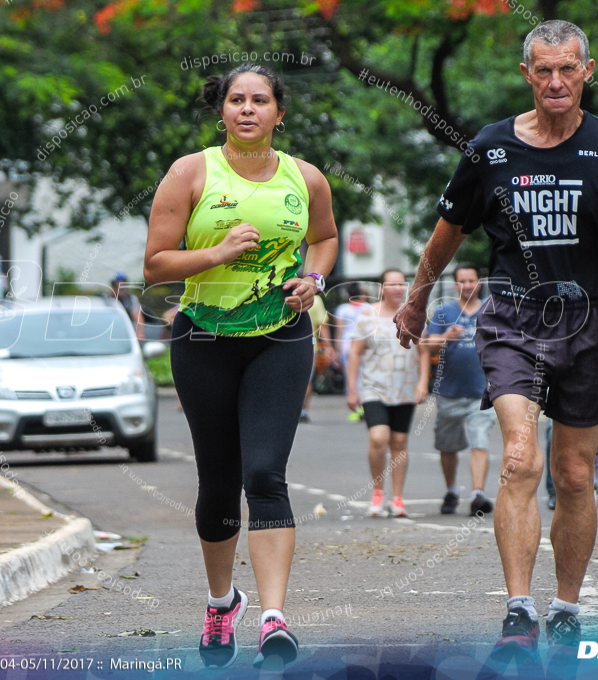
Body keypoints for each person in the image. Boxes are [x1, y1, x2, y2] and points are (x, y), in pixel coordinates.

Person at [394, 21, 598, 657]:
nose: (556, 82)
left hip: (592, 325)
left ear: (587, 71)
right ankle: (519, 606)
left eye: (568, 69)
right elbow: (448, 232)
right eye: (543, 70)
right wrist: (415, 298)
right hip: (514, 319)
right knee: (521, 456)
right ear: (527, 75)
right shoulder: (490, 149)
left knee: (573, 474)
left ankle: (566, 604)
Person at [144, 63, 338, 669]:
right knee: (219, 485)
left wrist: (314, 278)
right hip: (203, 338)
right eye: (236, 100)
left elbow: (326, 238)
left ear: (280, 113)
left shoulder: (306, 179)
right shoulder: (190, 173)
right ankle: (222, 600)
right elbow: (154, 265)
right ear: (222, 110)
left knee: (265, 473)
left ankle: (274, 617)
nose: (248, 109)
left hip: (281, 337)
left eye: (260, 100)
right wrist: (218, 253)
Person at [347, 269, 429, 518]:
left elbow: (423, 350)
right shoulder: (367, 315)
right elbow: (355, 352)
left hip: (404, 386)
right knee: (379, 438)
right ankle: (378, 492)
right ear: (382, 288)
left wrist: (423, 382)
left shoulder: (414, 314)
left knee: (400, 442)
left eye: (400, 284)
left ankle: (397, 498)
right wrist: (352, 388)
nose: (396, 288)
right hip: (374, 387)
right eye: (391, 284)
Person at [424, 263, 496, 516]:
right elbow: (428, 345)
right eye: (462, 281)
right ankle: (452, 490)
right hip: (449, 390)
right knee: (448, 445)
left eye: (471, 280)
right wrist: (448, 337)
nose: (467, 285)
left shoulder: (491, 308)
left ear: (479, 282)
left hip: (482, 391)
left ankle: (477, 494)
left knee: (480, 441)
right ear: (456, 284)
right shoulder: (444, 311)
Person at [333, 282, 372, 420]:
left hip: (347, 344)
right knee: (364, 375)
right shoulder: (368, 308)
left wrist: (336, 351)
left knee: (350, 376)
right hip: (364, 344)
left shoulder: (343, 309)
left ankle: (356, 407)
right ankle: (365, 406)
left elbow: (339, 331)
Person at [299, 294, 335, 423]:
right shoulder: (314, 299)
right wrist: (328, 346)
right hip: (308, 346)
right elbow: (322, 325)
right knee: (305, 381)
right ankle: (302, 411)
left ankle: (297, 410)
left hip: (296, 346)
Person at [112, 272, 145, 340]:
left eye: (123, 285)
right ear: (113, 286)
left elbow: (137, 316)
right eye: (117, 285)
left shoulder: (131, 299)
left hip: (126, 332)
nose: (121, 289)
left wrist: (140, 332)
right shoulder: (107, 299)